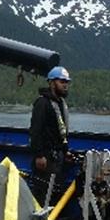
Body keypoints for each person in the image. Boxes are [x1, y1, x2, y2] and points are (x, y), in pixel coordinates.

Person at [29, 66, 72, 209]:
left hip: (58, 157)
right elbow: (36, 130)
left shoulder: (60, 104)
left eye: (67, 82)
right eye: (62, 81)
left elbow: (61, 132)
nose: (65, 85)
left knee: (55, 193)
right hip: (46, 158)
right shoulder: (42, 103)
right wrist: (39, 155)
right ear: (52, 83)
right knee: (42, 194)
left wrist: (65, 151)